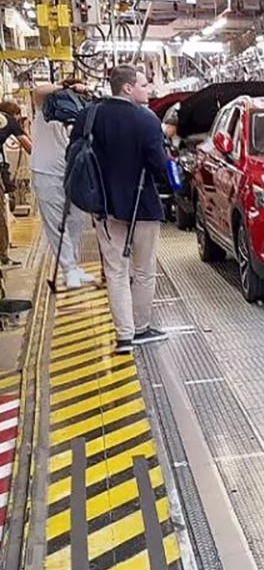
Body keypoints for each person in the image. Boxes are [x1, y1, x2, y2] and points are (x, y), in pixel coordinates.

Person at [69, 65, 170, 354]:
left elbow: (74, 155)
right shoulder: (146, 120)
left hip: (103, 206)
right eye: (143, 84)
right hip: (143, 207)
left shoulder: (88, 116)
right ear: (127, 88)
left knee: (115, 271)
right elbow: (159, 167)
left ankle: (124, 336)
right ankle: (141, 328)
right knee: (144, 270)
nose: (148, 89)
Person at [32, 79, 95, 288]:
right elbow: (37, 91)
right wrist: (64, 87)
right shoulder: (47, 104)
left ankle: (74, 265)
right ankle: (68, 269)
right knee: (55, 222)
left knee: (76, 220)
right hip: (46, 170)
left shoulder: (82, 110)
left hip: (73, 171)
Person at [0, 100, 33, 267]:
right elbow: (30, 148)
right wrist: (25, 129)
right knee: (0, 216)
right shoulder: (9, 121)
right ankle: (3, 256)